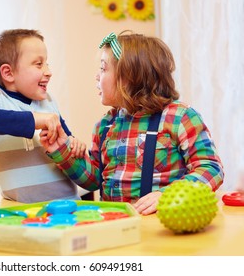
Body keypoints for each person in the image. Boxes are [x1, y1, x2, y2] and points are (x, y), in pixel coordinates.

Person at [40, 31, 224, 215]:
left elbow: (211, 168)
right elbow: (94, 180)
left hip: (161, 222)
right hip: (116, 223)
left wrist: (169, 195)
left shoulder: (179, 117)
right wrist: (61, 151)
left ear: (129, 77)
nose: (97, 76)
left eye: (103, 69)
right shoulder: (104, 125)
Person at [0, 29, 86, 203]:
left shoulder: (48, 102)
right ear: (8, 73)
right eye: (39, 64)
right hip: (20, 215)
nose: (48, 72)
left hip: (70, 207)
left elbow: (67, 146)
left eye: (47, 63)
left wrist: (75, 146)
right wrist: (33, 119)